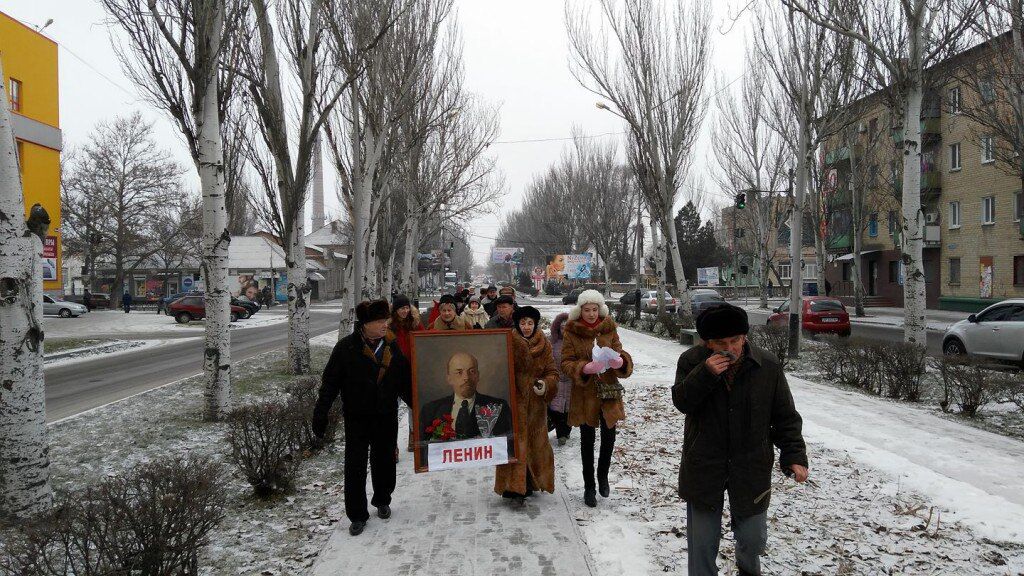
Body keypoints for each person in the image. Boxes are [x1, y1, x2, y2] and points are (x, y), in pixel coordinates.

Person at [672, 304, 809, 576]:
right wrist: (705, 373)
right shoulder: (691, 361)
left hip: (751, 466)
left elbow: (785, 415)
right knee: (702, 544)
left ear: (744, 337)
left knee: (752, 538)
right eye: (720, 343)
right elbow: (682, 401)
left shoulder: (766, 365)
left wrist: (793, 456)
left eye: (735, 340)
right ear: (707, 343)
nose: (730, 348)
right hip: (704, 465)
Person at [313, 299, 412, 537]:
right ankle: (357, 514)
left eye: (385, 320)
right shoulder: (346, 348)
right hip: (357, 417)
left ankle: (382, 499)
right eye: (379, 321)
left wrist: (418, 405)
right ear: (365, 324)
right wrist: (321, 411)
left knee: (385, 459)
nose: (384, 325)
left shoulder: (391, 345)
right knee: (355, 465)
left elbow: (403, 380)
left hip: (386, 414)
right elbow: (330, 383)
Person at [560, 289, 632, 508]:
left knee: (609, 437)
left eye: (594, 309)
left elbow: (620, 352)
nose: (591, 314)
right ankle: (589, 486)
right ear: (579, 311)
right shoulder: (571, 332)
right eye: (586, 310)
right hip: (585, 394)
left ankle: (603, 477)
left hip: (608, 392)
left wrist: (621, 362)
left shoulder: (609, 328)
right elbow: (565, 363)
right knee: (587, 440)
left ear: (600, 310)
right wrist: (585, 367)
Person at [494, 306, 559, 506]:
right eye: (523, 323)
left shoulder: (544, 344)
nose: (527, 327)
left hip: (536, 407)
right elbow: (498, 370)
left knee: (535, 445)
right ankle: (512, 487)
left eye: (530, 323)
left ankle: (530, 483)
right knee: (513, 444)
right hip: (513, 403)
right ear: (517, 324)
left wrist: (546, 385)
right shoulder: (508, 342)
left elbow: (552, 372)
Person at [418, 351, 513, 444]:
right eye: (459, 372)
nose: (466, 377)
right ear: (449, 378)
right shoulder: (430, 410)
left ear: (478, 375)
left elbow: (507, 445)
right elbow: (422, 451)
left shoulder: (499, 407)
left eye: (472, 371)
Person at [389, 294, 424, 453]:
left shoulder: (416, 324)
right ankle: (392, 443)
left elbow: (424, 342)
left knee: (413, 405)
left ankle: (413, 435)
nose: (404, 311)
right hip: (394, 372)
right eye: (400, 308)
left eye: (406, 308)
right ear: (395, 311)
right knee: (392, 407)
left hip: (412, 369)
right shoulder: (389, 327)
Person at [548, 312, 573, 445]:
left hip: (571, 381)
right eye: (563, 327)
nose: (565, 330)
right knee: (555, 408)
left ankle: (566, 431)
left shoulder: (575, 342)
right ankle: (560, 433)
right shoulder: (552, 342)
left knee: (568, 409)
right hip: (557, 379)